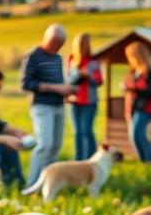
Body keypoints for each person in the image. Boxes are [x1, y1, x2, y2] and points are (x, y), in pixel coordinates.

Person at [21, 23, 76, 186]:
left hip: (59, 105)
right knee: (44, 145)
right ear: (49, 39)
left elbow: (58, 81)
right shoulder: (33, 56)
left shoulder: (57, 58)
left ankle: (46, 183)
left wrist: (66, 90)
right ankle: (32, 184)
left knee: (55, 146)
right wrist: (57, 88)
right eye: (56, 43)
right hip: (42, 107)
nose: (58, 47)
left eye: (61, 45)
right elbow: (26, 84)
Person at [66, 32, 103, 160]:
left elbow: (99, 81)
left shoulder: (93, 61)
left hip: (89, 101)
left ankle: (91, 159)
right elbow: (69, 79)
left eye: (86, 44)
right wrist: (78, 74)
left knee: (86, 131)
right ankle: (78, 160)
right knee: (77, 133)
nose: (85, 47)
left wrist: (89, 76)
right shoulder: (71, 60)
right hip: (74, 101)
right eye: (82, 44)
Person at [123, 41, 151, 162]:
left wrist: (135, 88)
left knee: (137, 133)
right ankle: (143, 160)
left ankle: (150, 159)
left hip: (145, 106)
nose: (130, 60)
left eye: (131, 56)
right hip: (134, 106)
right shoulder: (134, 71)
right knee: (133, 135)